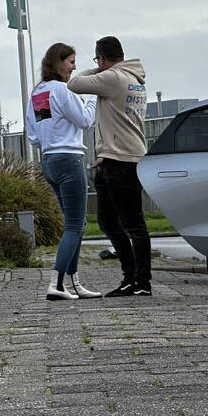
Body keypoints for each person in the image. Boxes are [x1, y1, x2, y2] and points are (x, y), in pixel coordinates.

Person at [67, 36, 150, 296]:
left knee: (132, 224)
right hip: (117, 157)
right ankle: (131, 278)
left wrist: (99, 69)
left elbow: (74, 84)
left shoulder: (113, 78)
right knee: (109, 221)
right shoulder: (134, 79)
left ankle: (141, 282)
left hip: (122, 161)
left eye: (98, 60)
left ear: (102, 58)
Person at [25, 43, 101, 300]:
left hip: (48, 161)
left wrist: (52, 137)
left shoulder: (38, 94)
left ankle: (73, 283)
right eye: (70, 61)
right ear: (58, 63)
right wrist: (92, 95)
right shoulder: (61, 90)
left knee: (74, 225)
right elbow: (85, 120)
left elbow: (32, 136)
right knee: (75, 225)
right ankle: (57, 284)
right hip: (69, 159)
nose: (74, 66)